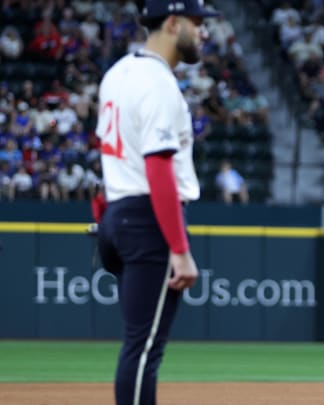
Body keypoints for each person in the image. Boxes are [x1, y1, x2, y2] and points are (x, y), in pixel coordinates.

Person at [93, 1, 219, 404]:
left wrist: (107, 213)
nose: (203, 32)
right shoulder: (159, 82)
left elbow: (111, 151)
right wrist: (179, 250)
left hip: (117, 214)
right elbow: (159, 167)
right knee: (143, 349)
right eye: (197, 23)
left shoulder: (116, 74)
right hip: (149, 220)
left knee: (138, 345)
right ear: (171, 22)